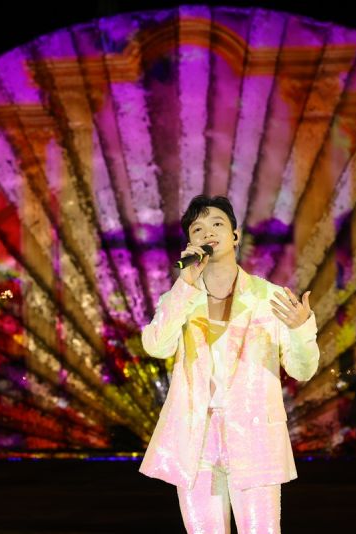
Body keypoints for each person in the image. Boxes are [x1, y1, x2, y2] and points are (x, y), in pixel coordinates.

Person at [139, 195, 320, 533]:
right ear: (190, 243)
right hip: (195, 440)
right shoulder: (180, 297)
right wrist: (185, 285)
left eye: (217, 224)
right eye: (198, 228)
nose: (208, 232)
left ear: (235, 236)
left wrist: (300, 329)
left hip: (254, 436)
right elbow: (156, 346)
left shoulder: (269, 297)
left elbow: (303, 369)